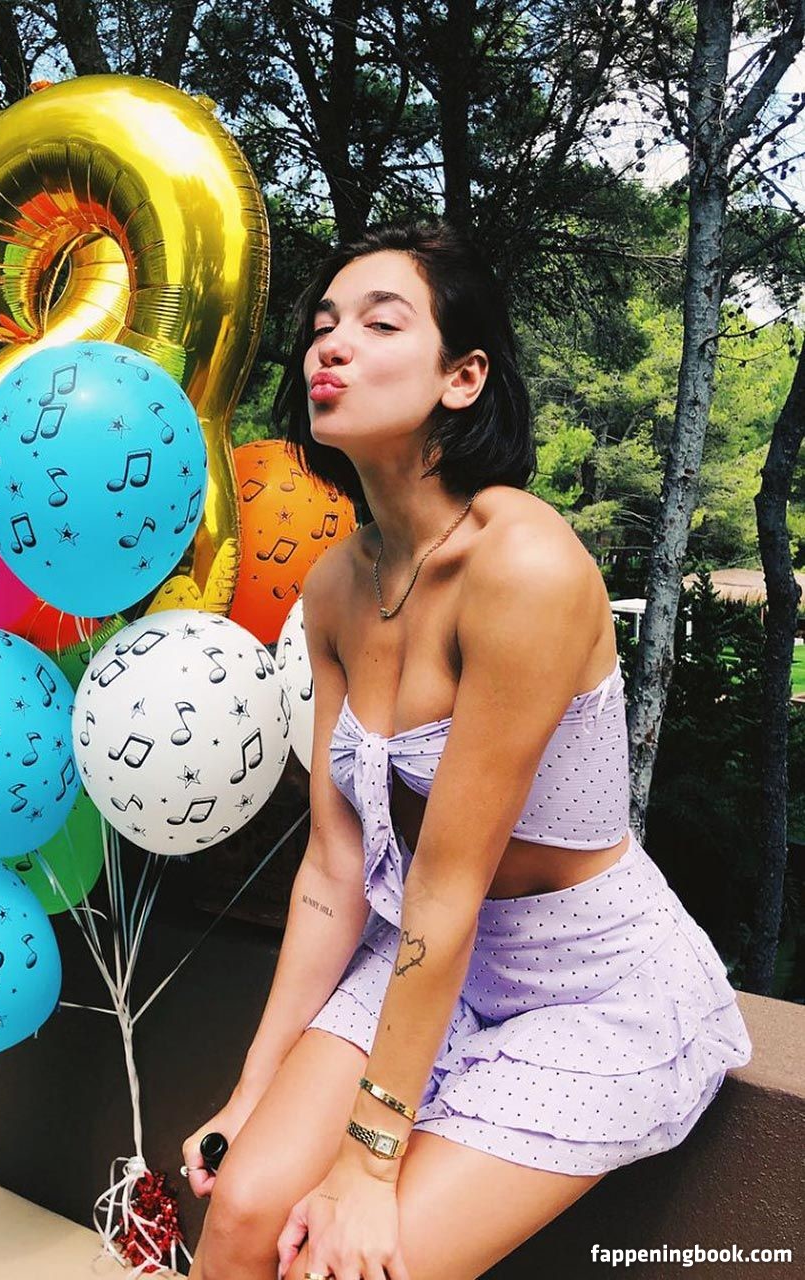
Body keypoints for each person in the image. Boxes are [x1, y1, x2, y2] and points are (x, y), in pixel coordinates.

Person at [180, 219, 752, 1280]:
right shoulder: (335, 585)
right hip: (435, 957)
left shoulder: (524, 563)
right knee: (243, 1208)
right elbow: (334, 868)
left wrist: (368, 1162)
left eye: (379, 323)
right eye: (322, 324)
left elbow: (448, 883)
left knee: (339, 1267)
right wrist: (252, 1088)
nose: (329, 345)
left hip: (590, 987)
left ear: (463, 376)